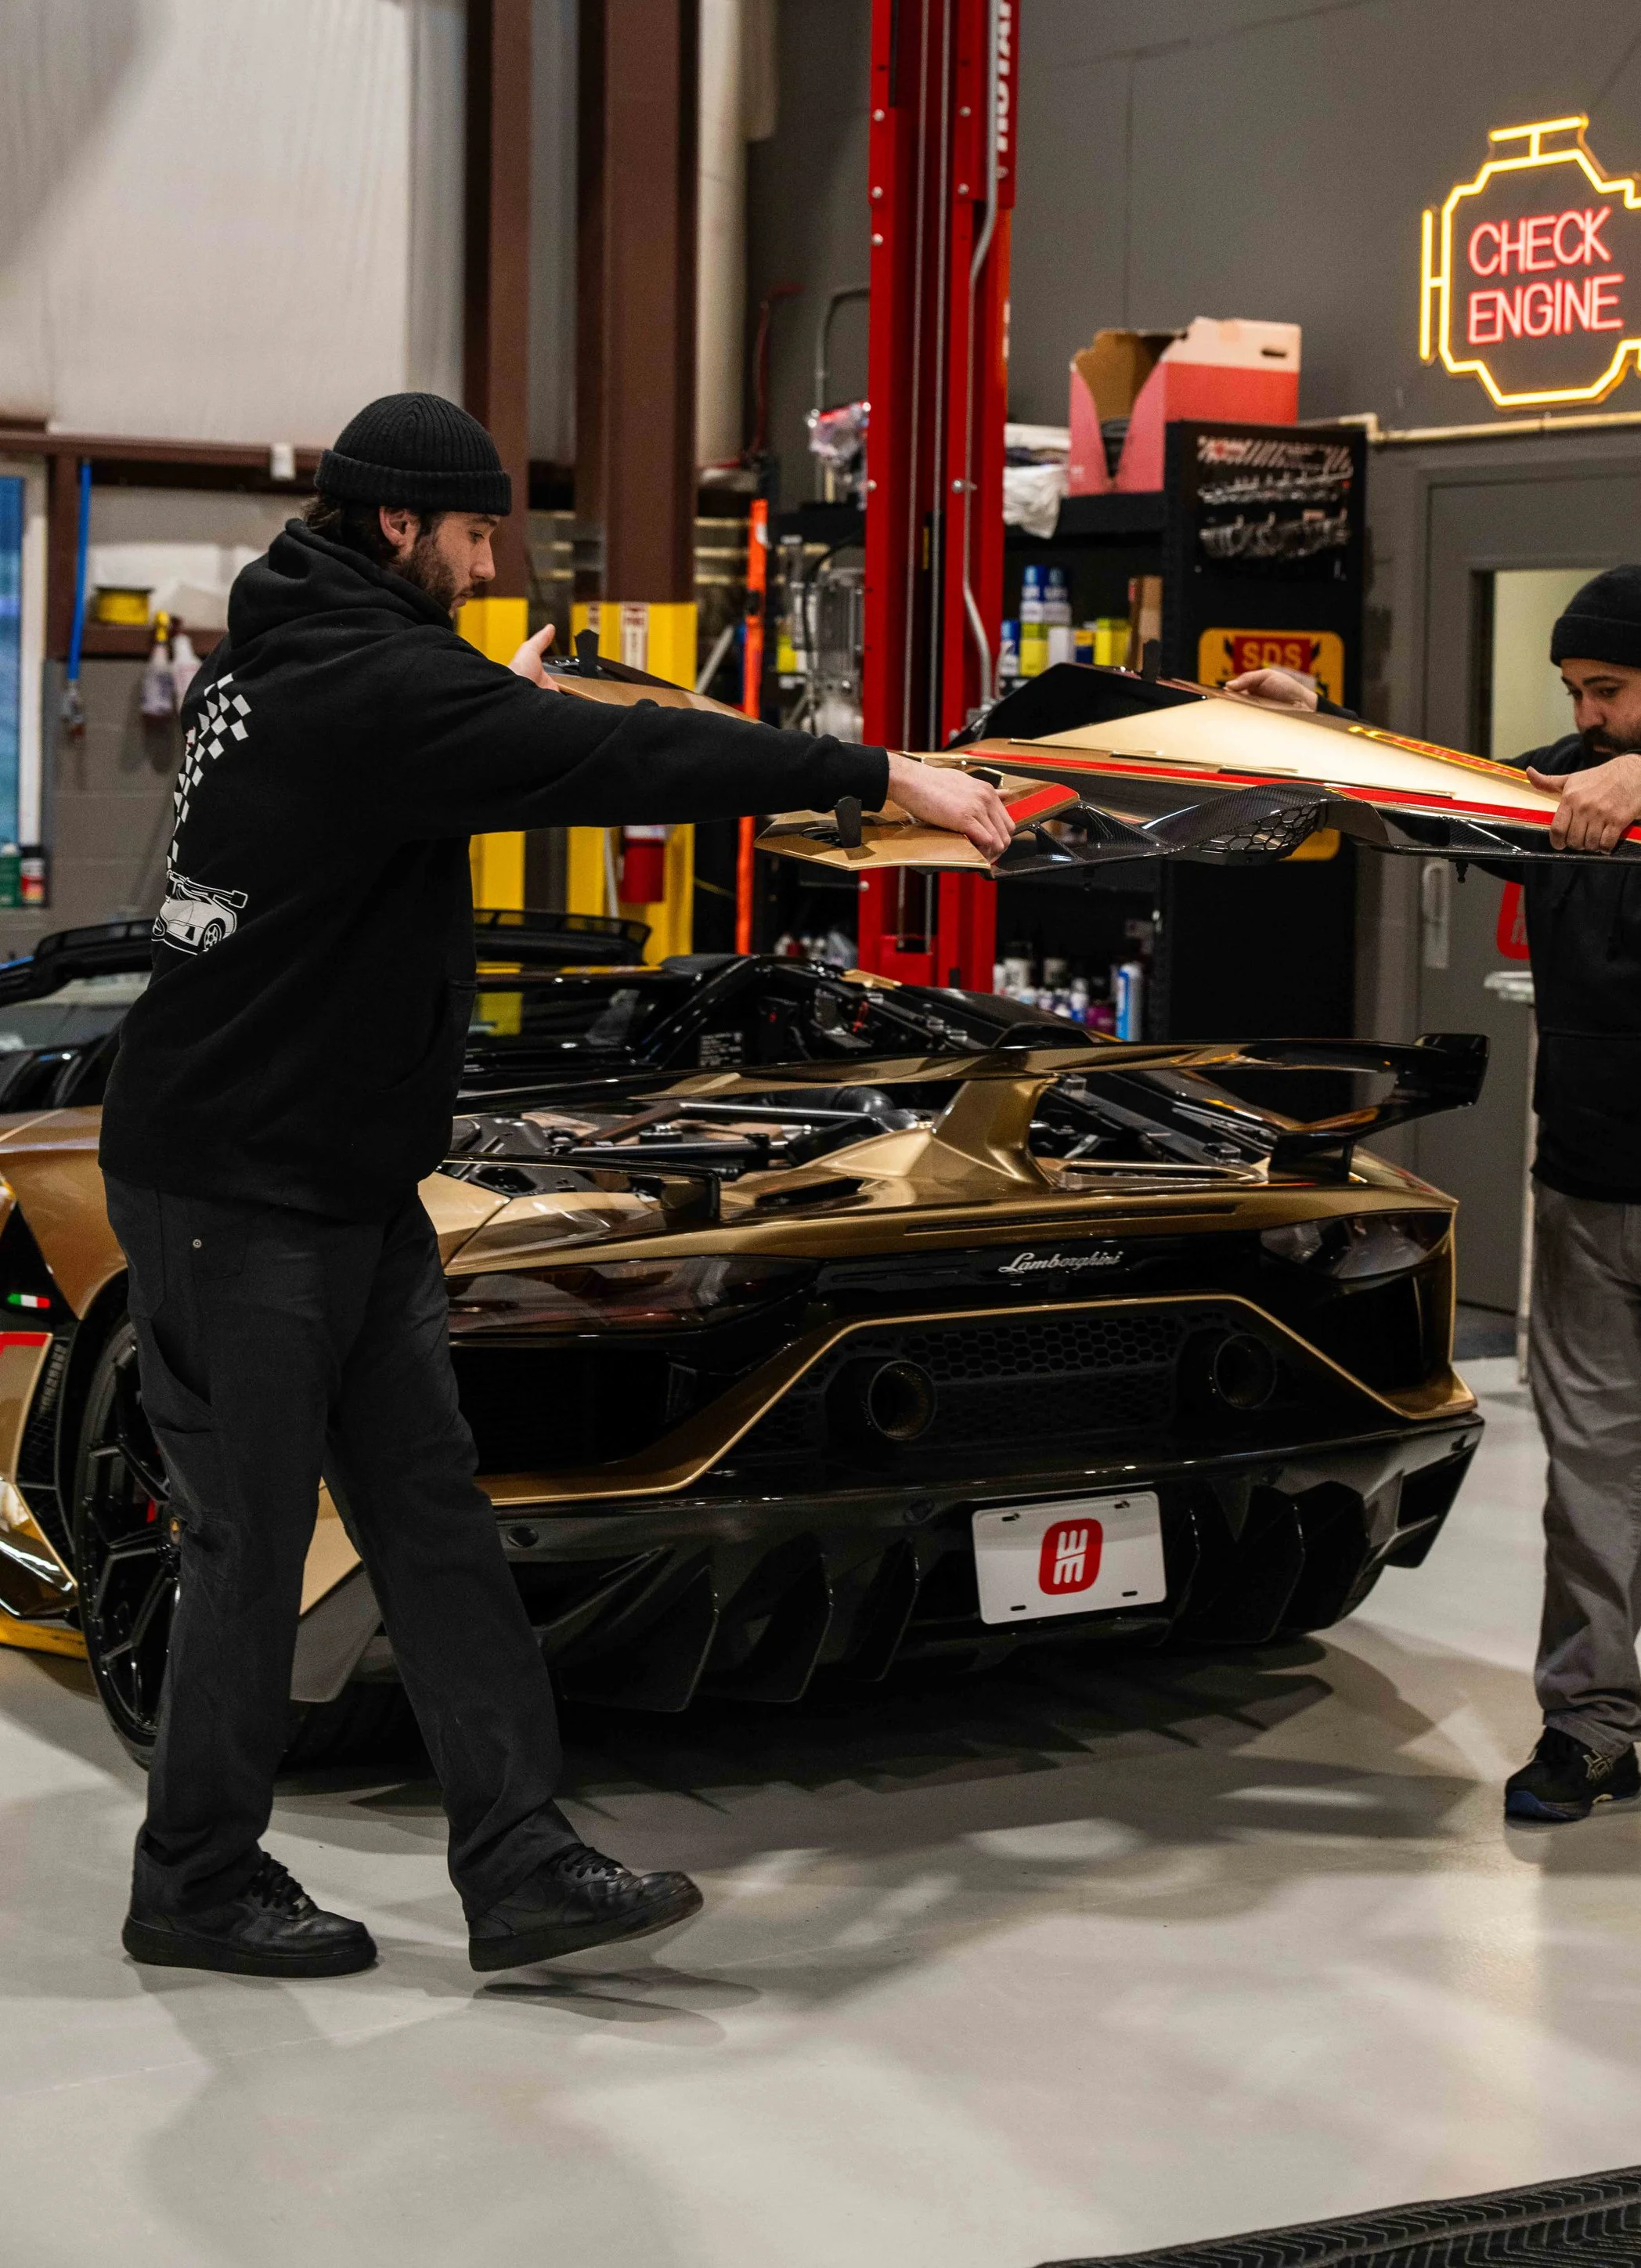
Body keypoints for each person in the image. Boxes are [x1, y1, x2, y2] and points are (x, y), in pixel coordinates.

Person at [99, 392, 1013, 1982]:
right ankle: (194, 1878)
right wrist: (875, 773)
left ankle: (517, 1860)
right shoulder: (369, 679)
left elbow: (444, 731)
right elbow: (618, 747)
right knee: (248, 1545)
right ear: (399, 526)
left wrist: (478, 700)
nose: (488, 559)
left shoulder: (300, 652)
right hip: (230, 1185)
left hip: (336, 1177)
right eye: (473, 535)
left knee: (433, 1519)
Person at [1226, 565, 1641, 1826]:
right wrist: (1313, 723)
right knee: (1592, 1476)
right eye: (1576, 693)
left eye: (1610, 692)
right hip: (1587, 1189)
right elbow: (1433, 787)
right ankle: (1590, 1725)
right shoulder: (1567, 784)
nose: (1592, 717)